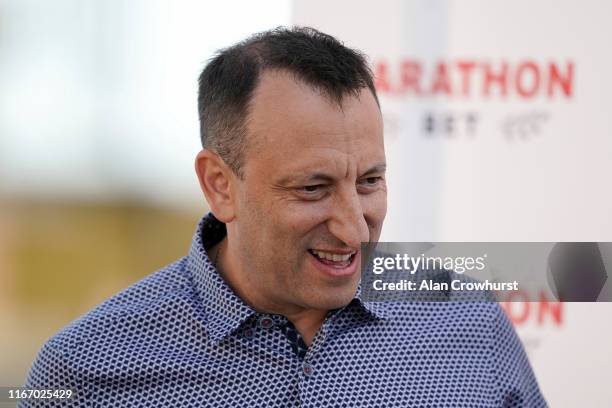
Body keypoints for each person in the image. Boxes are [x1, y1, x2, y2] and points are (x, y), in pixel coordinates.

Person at [21, 27, 547, 407]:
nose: (354, 228)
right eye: (313, 189)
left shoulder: (470, 322)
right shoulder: (84, 371)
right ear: (219, 185)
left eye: (369, 182)